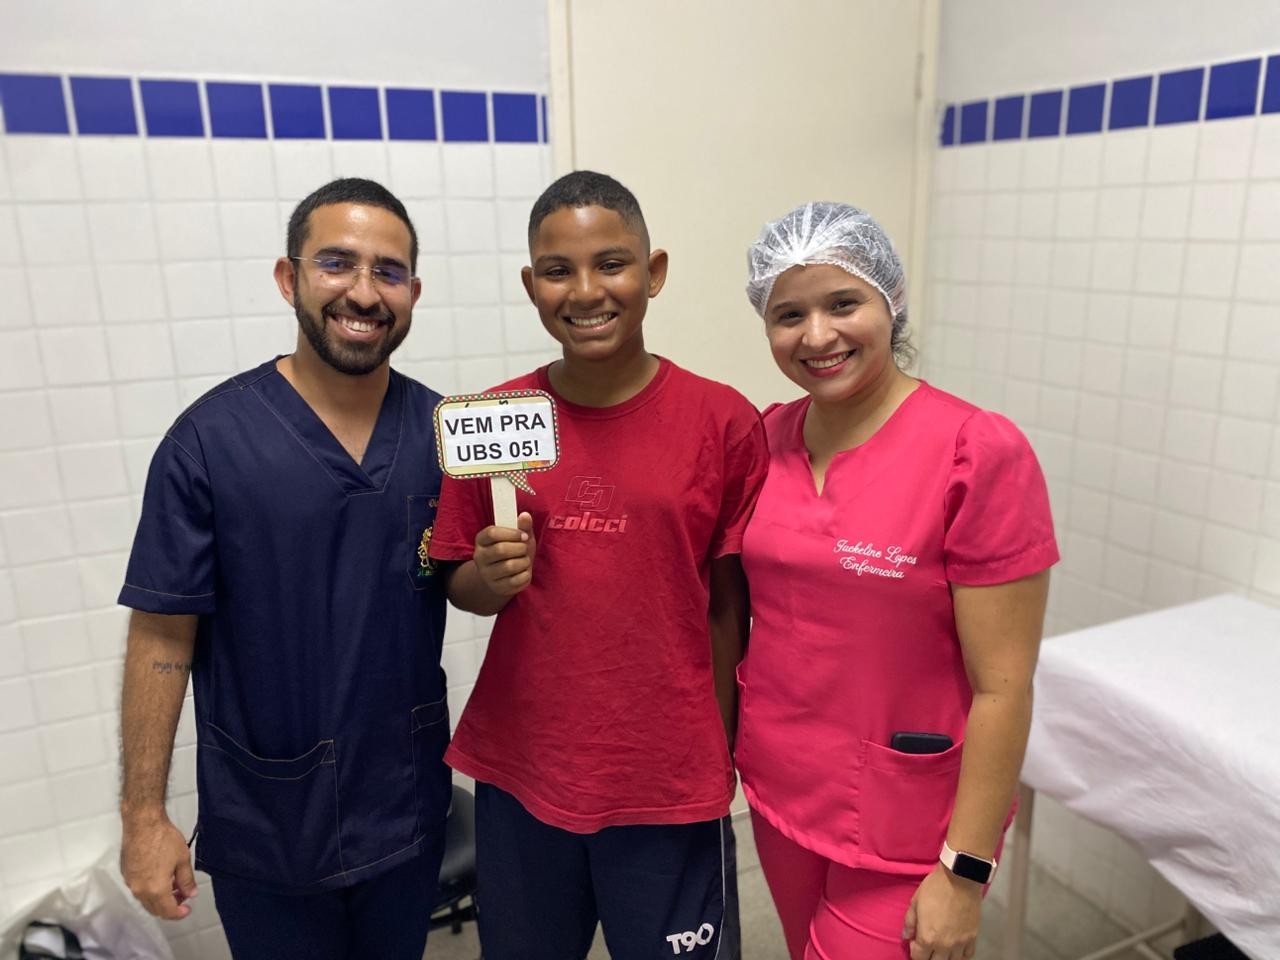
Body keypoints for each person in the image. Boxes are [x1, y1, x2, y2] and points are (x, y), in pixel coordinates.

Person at [427, 170, 768, 960]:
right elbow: (461, 586)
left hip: (667, 778)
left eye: (611, 264)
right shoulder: (496, 420)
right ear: (531, 286)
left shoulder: (721, 421)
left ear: (654, 272)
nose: (585, 291)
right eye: (558, 270)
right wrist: (489, 576)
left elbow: (730, 606)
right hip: (524, 770)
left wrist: (720, 749)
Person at [117, 178, 452, 960]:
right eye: (337, 263)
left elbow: (460, 580)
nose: (363, 292)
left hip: (404, 804)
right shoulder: (208, 443)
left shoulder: (441, 432)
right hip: (269, 820)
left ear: (413, 293)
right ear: (288, 277)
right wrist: (143, 816)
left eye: (388, 272)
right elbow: (162, 635)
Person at [735, 201, 1058, 960]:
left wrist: (965, 871)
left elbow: (1004, 687)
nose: (818, 336)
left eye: (843, 303)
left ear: (892, 300)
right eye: (789, 314)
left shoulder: (975, 451)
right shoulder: (764, 438)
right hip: (782, 788)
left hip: (914, 817)